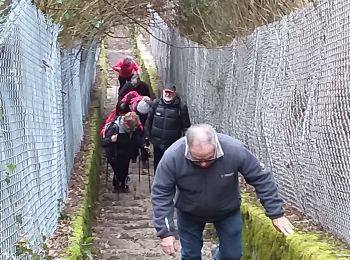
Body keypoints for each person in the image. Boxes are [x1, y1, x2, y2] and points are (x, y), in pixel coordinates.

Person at [151, 124, 295, 259]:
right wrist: (166, 232)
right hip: (189, 212)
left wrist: (276, 214)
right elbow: (161, 192)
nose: (203, 164)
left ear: (215, 145)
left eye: (208, 159)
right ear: (188, 148)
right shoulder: (173, 156)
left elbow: (261, 178)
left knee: (233, 255)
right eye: (197, 160)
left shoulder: (235, 150)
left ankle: (217, 254)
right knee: (190, 255)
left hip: (227, 210)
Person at [145, 84, 191, 172]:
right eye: (166, 92)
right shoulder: (156, 103)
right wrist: (147, 137)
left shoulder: (181, 107)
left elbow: (186, 127)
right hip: (157, 142)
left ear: (174, 94)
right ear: (163, 92)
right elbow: (148, 121)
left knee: (170, 165)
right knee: (157, 164)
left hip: (172, 143)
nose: (167, 94)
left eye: (170, 93)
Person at [101, 112, 149, 193]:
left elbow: (137, 138)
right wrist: (111, 139)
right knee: (118, 172)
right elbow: (103, 143)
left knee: (125, 170)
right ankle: (117, 186)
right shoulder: (114, 127)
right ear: (126, 124)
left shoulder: (133, 127)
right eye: (132, 127)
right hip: (114, 155)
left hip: (127, 153)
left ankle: (123, 185)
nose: (133, 129)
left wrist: (143, 145)